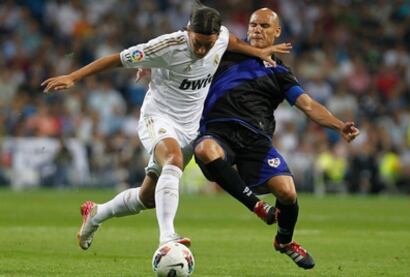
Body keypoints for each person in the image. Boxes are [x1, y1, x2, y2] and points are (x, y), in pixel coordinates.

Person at [41, 2, 292, 250]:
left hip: (190, 128)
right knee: (173, 159)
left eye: (209, 43)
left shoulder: (222, 37)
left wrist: (259, 52)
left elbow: (233, 42)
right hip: (158, 118)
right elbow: (114, 59)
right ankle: (167, 238)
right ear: (187, 32)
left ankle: (96, 214)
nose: (204, 49)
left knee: (147, 197)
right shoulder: (166, 46)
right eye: (198, 43)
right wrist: (72, 77)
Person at [193, 8, 360, 270]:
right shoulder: (227, 50)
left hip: (256, 141)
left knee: (287, 191)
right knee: (204, 149)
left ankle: (284, 241)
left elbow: (307, 105)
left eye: (264, 26)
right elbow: (192, 43)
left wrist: (339, 125)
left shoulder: (281, 74)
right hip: (219, 130)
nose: (257, 29)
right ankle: (257, 207)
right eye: (253, 25)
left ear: (277, 32)